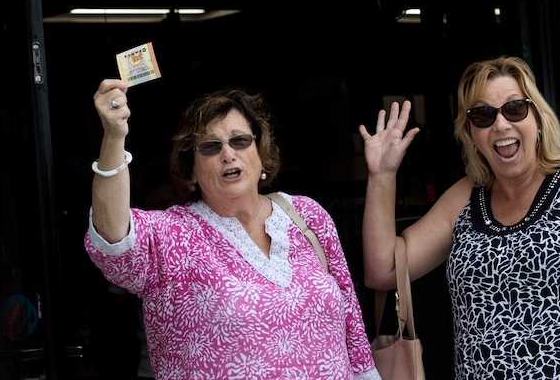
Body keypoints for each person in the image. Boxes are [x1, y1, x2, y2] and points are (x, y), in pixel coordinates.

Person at [360, 40, 560, 379]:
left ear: (537, 119)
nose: (501, 125)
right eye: (483, 115)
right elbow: (383, 272)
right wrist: (382, 176)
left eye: (515, 109)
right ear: (471, 134)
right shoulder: (464, 199)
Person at [85, 79, 381, 380]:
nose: (228, 154)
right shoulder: (173, 235)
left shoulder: (305, 214)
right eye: (211, 147)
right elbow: (113, 240)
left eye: (240, 141)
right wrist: (113, 136)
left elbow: (350, 317)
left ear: (260, 152)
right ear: (191, 169)